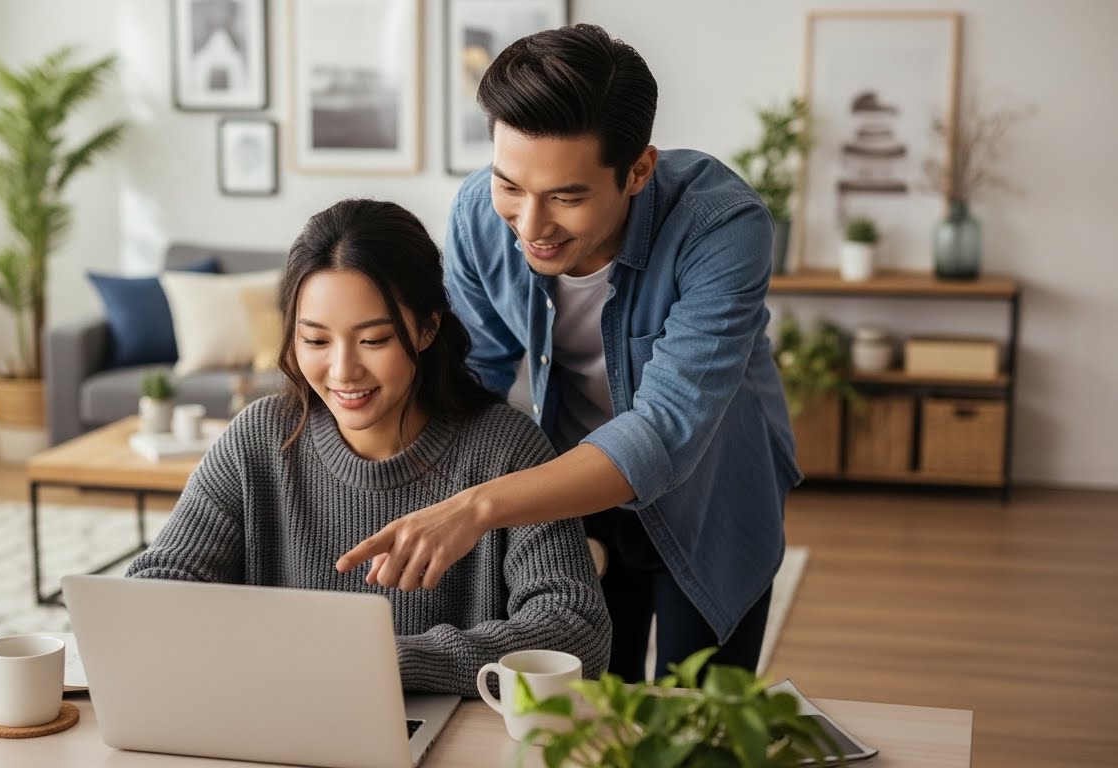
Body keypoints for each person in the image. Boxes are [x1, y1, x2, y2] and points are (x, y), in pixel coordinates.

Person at [336, 24, 800, 682]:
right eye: (510, 187)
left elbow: (664, 430)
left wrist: (478, 506)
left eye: (567, 196)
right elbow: (472, 377)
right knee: (589, 703)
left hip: (712, 492)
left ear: (638, 169)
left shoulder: (720, 226)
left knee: (695, 719)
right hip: (568, 489)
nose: (529, 227)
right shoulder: (476, 215)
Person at [125, 198, 611, 697]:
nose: (343, 371)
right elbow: (157, 585)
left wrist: (386, 662)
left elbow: (576, 632)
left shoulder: (506, 449)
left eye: (374, 340)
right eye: (315, 341)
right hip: (275, 718)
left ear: (427, 328)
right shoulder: (260, 437)